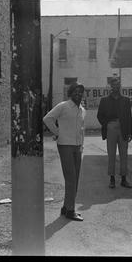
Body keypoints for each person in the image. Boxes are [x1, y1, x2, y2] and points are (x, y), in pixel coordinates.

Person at [43, 82, 86, 221]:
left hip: (77, 147)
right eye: (76, 92)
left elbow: (81, 129)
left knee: (76, 178)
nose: (78, 94)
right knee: (71, 178)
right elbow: (47, 119)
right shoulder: (63, 106)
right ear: (70, 93)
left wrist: (81, 145)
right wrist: (57, 133)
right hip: (65, 146)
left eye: (80, 92)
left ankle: (65, 207)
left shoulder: (82, 110)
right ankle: (70, 210)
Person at [97, 77, 132, 189]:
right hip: (111, 127)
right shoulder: (104, 100)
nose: (116, 86)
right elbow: (99, 115)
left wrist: (130, 132)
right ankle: (112, 179)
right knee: (111, 154)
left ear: (120, 86)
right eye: (114, 85)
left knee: (124, 155)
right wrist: (106, 125)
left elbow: (129, 117)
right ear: (111, 86)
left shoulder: (126, 100)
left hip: (123, 128)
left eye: (118, 84)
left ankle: (123, 179)